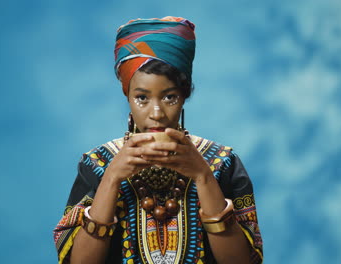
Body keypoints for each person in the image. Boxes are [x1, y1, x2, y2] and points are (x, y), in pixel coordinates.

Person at [53, 16, 263, 264]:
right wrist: (111, 179)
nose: (156, 113)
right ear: (128, 98)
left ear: (184, 98)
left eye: (169, 97)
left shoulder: (223, 163)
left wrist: (203, 177)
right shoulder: (96, 164)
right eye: (142, 98)